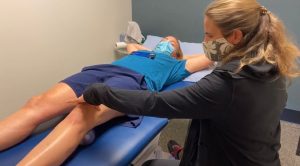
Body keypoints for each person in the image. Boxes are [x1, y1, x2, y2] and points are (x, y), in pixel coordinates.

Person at [76, 0, 300, 165]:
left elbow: (155, 103)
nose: (204, 41)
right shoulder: (272, 66)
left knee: (150, 164)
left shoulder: (226, 84)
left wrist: (99, 92)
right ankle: (186, 153)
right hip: (259, 157)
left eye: (209, 36)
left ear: (235, 37)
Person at [0, 35, 212, 165]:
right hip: (100, 70)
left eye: (171, 43)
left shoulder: (176, 65)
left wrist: (178, 56)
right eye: (164, 40)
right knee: (36, 103)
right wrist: (150, 49)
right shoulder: (138, 53)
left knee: (79, 117)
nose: (165, 43)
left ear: (177, 52)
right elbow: (132, 44)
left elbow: (208, 58)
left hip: (134, 83)